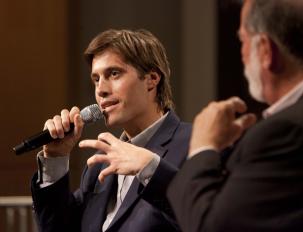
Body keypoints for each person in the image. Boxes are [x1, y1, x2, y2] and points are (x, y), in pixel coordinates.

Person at [167, 0, 303, 231]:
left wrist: (203, 147)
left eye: (243, 40)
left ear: (265, 50)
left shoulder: (287, 132)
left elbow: (210, 226)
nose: (241, 53)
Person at [30, 29, 191, 232]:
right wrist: (55, 158)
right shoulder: (99, 164)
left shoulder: (194, 145)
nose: (101, 90)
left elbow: (205, 219)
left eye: (114, 74)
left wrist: (150, 168)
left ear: (151, 79)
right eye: (96, 79)